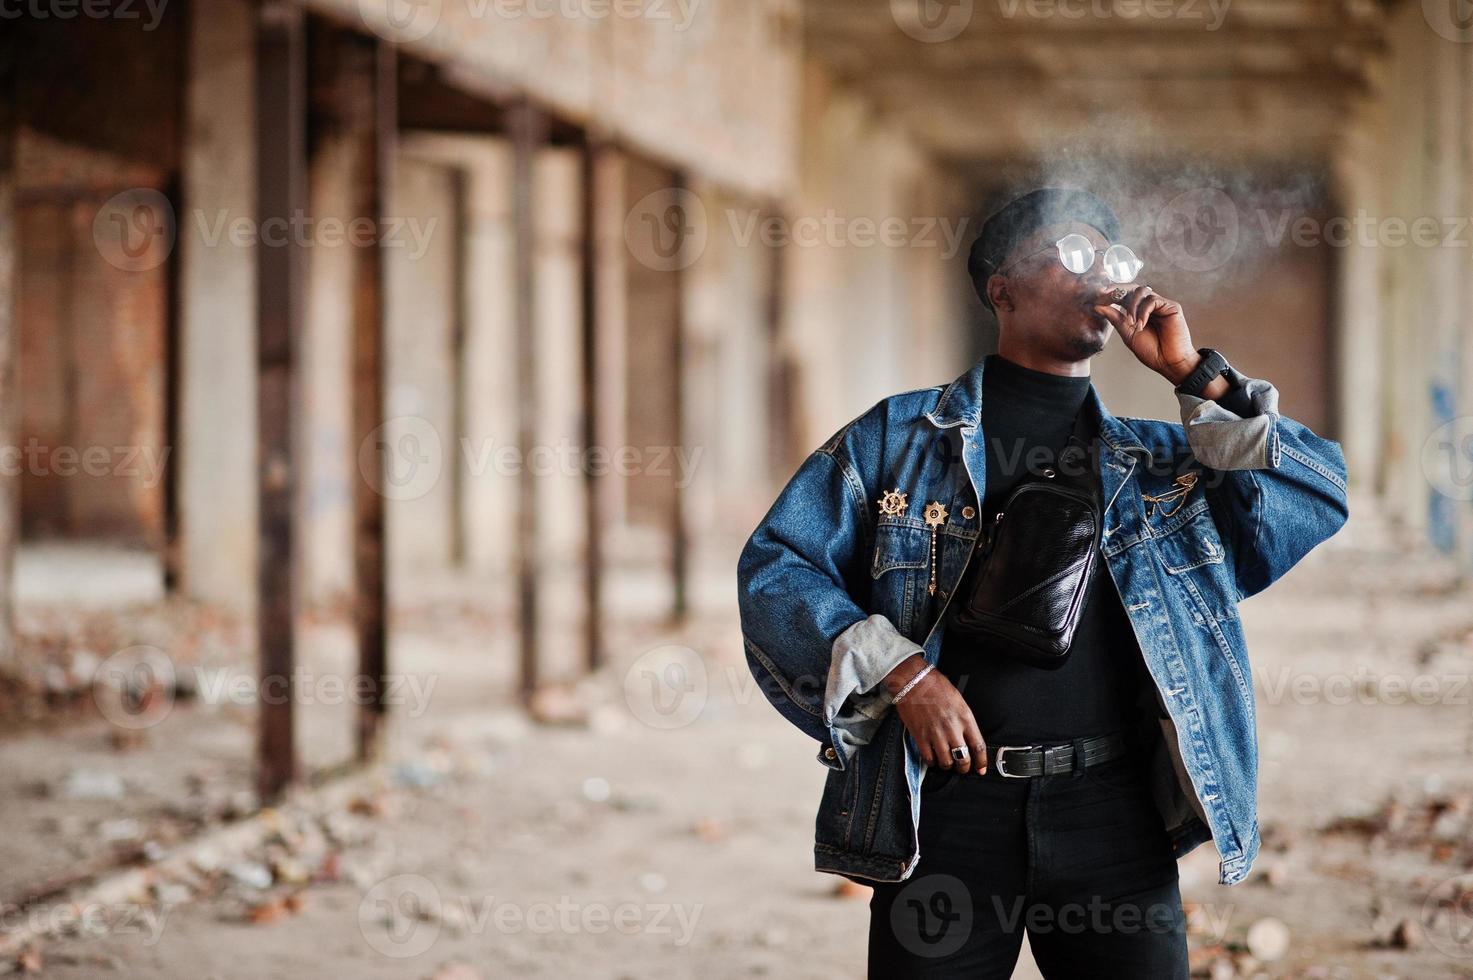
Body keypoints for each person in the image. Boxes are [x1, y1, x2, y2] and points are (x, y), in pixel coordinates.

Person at [735, 188, 1350, 977]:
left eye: (1111, 259)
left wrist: (1196, 377)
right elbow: (776, 568)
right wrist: (901, 671)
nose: (1102, 277)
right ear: (1002, 288)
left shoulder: (1159, 462)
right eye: (1072, 255)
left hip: (1113, 817)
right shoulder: (898, 438)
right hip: (948, 814)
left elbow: (1314, 495)